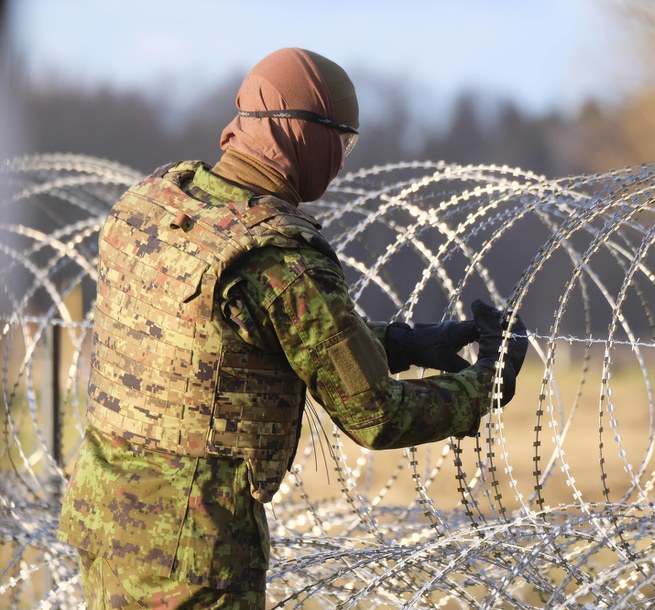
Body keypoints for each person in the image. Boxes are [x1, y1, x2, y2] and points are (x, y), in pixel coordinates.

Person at [57, 47, 528, 608]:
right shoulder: (277, 255)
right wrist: (484, 389)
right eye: (343, 142)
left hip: (105, 518)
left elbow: (228, 342)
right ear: (304, 135)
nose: (343, 162)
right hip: (192, 554)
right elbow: (374, 413)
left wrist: (400, 343)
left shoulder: (152, 205)